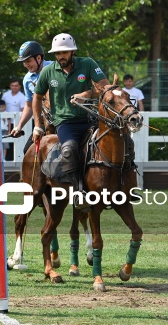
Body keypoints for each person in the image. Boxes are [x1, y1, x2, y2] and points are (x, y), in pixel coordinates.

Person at [31, 33, 109, 210]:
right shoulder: (48, 72)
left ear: (73, 51)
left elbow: (105, 87)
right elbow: (36, 98)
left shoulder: (87, 63)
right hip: (66, 123)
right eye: (57, 53)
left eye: (64, 52)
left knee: (120, 138)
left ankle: (125, 187)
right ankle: (80, 192)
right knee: (69, 149)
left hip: (91, 118)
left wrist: (87, 94)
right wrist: (38, 125)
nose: (60, 56)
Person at [10, 41, 53, 154]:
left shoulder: (55, 68)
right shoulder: (27, 79)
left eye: (28, 61)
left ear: (39, 58)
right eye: (24, 62)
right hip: (44, 122)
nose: (26, 65)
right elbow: (29, 106)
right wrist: (19, 126)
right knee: (28, 151)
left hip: (64, 119)